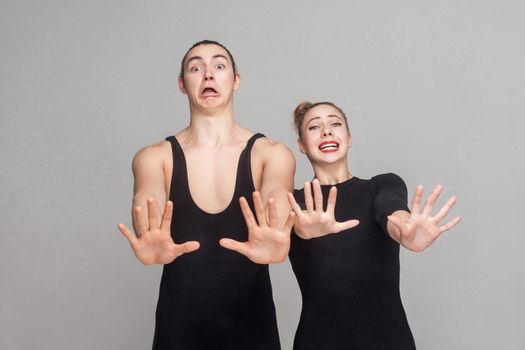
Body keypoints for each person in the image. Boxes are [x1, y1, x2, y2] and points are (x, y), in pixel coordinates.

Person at [117, 40, 295, 350]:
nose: (208, 75)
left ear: (235, 80)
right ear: (182, 84)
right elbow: (148, 201)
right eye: (196, 68)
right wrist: (149, 232)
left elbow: (276, 196)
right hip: (179, 331)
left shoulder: (272, 154)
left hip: (253, 330)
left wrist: (279, 233)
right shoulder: (154, 158)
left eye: (219, 66)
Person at [287, 101, 461, 349]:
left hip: (389, 341)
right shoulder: (292, 201)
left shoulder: (381, 185)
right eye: (314, 127)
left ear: (348, 138)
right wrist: (300, 228)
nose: (326, 131)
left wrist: (404, 229)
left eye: (335, 123)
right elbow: (278, 234)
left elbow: (391, 209)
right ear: (302, 145)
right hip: (318, 341)